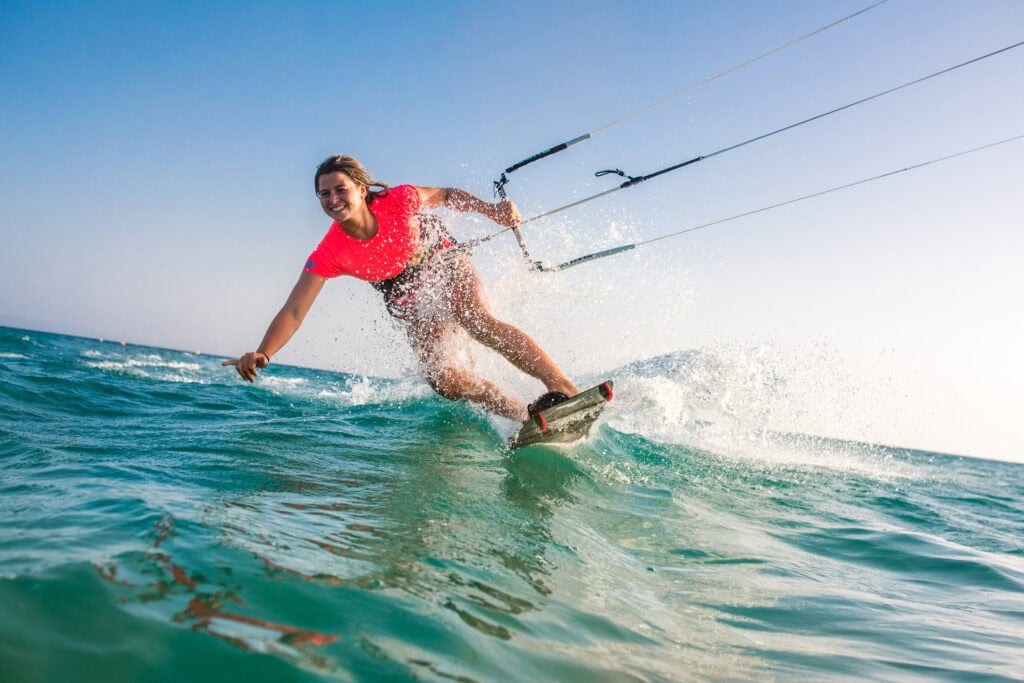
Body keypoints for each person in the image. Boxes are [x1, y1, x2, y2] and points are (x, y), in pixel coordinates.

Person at [224, 155, 579, 422]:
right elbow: (295, 310)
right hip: (406, 295)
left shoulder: (399, 200)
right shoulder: (329, 252)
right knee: (445, 381)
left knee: (477, 323)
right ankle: (525, 416)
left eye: (340, 189)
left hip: (442, 261)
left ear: (362, 190)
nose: (332, 199)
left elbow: (445, 194)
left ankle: (562, 387)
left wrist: (492, 211)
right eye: (323, 194)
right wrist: (264, 352)